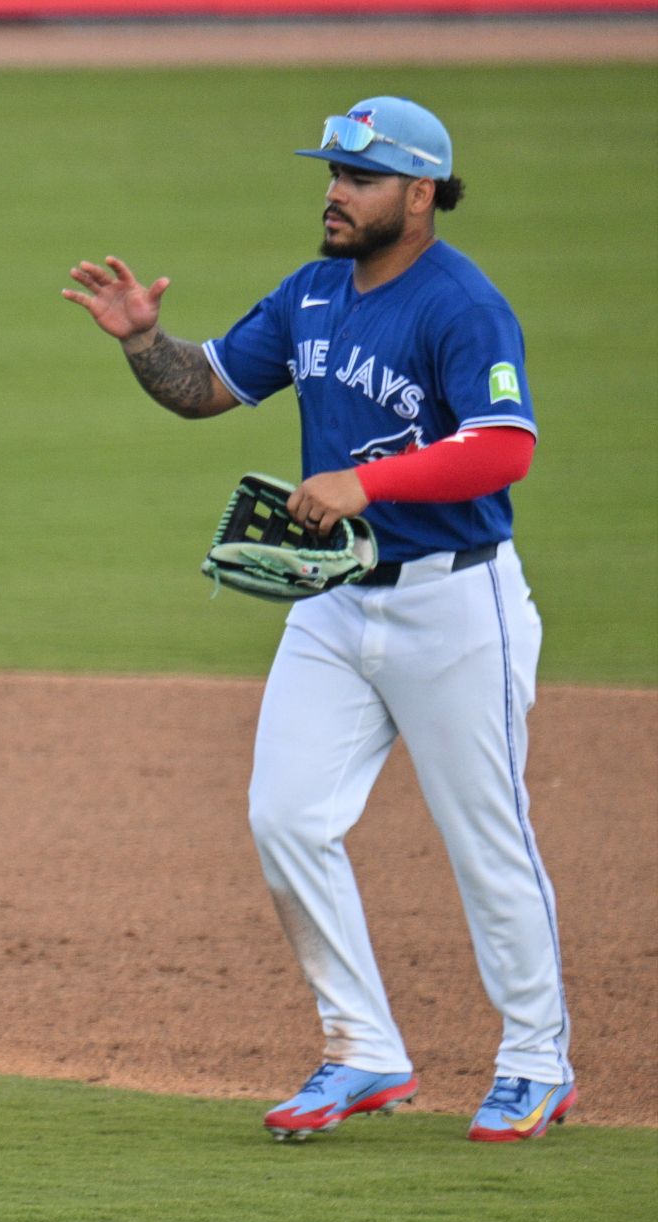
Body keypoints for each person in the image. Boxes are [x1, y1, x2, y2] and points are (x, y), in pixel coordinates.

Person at [63, 97, 572, 1143]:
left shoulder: (460, 305)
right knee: (286, 816)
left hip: (455, 599)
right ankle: (363, 1048)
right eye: (332, 174)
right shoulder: (314, 293)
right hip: (334, 600)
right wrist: (145, 342)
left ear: (419, 194)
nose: (335, 193)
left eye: (361, 178)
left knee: (486, 840)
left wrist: (367, 481)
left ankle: (536, 1059)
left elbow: (504, 445)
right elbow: (207, 386)